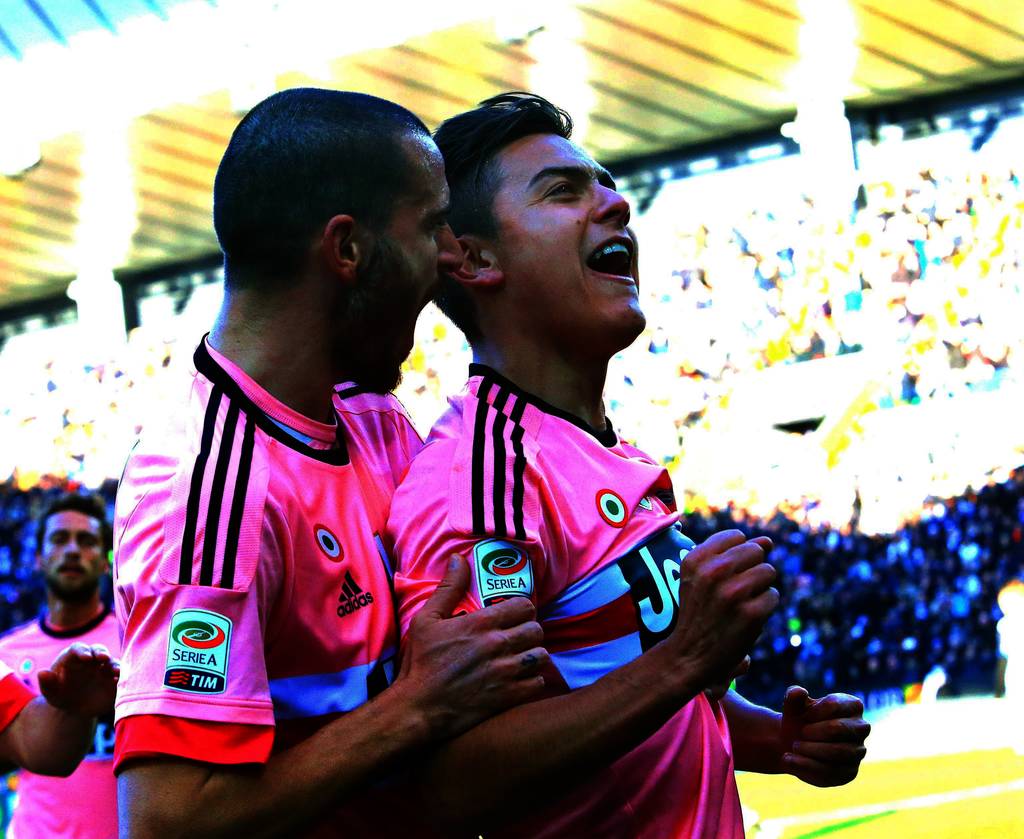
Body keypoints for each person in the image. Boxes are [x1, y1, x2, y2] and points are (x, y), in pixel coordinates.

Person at [386, 93, 870, 838]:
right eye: (563, 191)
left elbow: (631, 689)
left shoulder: (617, 454)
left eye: (608, 185)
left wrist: (776, 738)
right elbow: (454, 782)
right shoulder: (482, 480)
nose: (616, 204)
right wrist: (686, 658)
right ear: (475, 257)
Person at [113, 88, 547, 838]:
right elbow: (165, 822)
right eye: (432, 225)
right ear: (347, 249)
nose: (450, 254)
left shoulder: (373, 420)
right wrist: (414, 707)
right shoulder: (210, 494)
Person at [0, 493, 120, 838]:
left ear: (106, 562)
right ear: (39, 558)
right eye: (59, 538)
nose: (72, 550)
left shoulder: (135, 645)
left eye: (87, 541)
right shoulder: (6, 653)